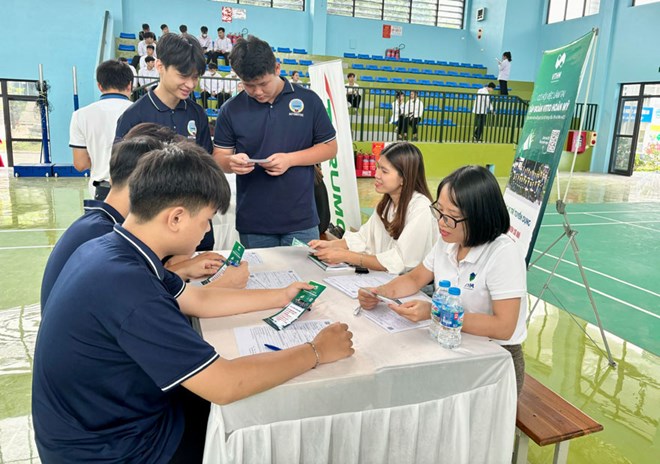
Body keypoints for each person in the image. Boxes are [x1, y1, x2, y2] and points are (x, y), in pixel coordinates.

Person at [32, 142, 354, 463]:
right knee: (255, 426)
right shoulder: (127, 286)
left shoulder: (116, 247)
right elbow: (224, 383)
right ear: (176, 218)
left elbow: (197, 298)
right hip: (115, 449)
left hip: (107, 419)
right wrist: (316, 351)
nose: (207, 231)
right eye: (206, 220)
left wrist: (281, 296)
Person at [357, 165, 527, 395]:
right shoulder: (448, 241)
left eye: (452, 217)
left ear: (480, 216)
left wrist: (435, 313)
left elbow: (504, 327)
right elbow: (416, 278)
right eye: (439, 211)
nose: (441, 223)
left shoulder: (502, 253)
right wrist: (379, 292)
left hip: (494, 360)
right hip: (451, 345)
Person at [213, 35, 337, 248]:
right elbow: (218, 158)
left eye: (263, 83)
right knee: (261, 280)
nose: (257, 92)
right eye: (249, 85)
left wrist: (290, 159)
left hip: (301, 219)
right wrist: (231, 162)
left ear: (277, 68)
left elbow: (330, 148)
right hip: (254, 222)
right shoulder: (231, 110)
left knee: (306, 278)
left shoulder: (309, 101)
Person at [115, 32, 215, 250]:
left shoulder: (197, 114)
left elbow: (206, 164)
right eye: (183, 75)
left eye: (195, 77)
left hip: (193, 226)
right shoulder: (134, 116)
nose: (190, 84)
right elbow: (123, 179)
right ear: (160, 66)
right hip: (153, 232)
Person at [309, 142, 438, 274]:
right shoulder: (386, 204)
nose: (376, 175)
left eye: (384, 171)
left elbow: (399, 261)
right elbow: (364, 237)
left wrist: (346, 256)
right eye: (378, 168)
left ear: (404, 178)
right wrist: (331, 245)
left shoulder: (420, 209)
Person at [69, 60, 133, 200]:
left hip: (100, 191)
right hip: (134, 191)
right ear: (129, 85)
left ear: (99, 85)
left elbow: (80, 164)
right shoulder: (140, 111)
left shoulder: (81, 115)